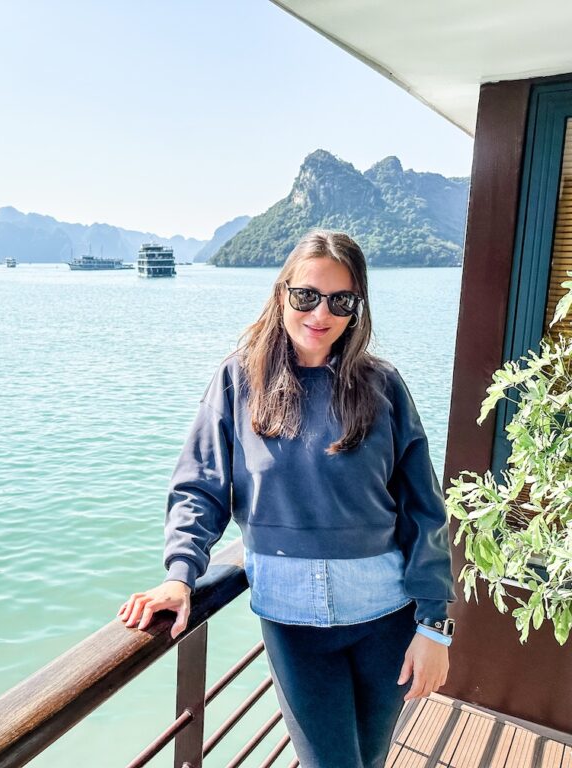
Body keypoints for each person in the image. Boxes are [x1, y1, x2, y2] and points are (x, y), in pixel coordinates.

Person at [117, 230, 456, 768]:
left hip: (387, 617)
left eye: (340, 300)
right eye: (306, 296)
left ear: (356, 308)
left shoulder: (382, 386)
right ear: (282, 295)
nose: (321, 313)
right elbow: (200, 486)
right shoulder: (239, 380)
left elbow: (423, 509)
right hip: (292, 623)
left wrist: (434, 624)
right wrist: (180, 576)